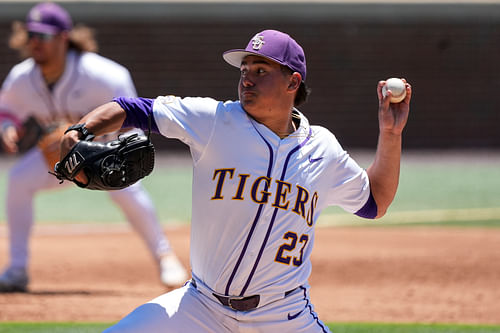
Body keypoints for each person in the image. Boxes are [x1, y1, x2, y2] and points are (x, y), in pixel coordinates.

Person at [60, 29, 411, 332]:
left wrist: (390, 134)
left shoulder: (323, 148)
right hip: (200, 307)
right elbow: (134, 108)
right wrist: (80, 131)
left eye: (261, 70)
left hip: (283, 315)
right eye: (244, 69)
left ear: (293, 82)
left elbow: (375, 202)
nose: (247, 78)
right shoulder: (215, 120)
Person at [0, 2, 188, 292]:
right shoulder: (23, 77)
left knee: (129, 192)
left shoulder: (104, 75)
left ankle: (165, 258)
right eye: (32, 35)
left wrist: (115, 150)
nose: (36, 42)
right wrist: (7, 128)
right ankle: (16, 269)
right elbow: (8, 110)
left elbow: (134, 121)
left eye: (44, 36)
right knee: (18, 180)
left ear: (64, 37)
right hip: (57, 158)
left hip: (106, 153)